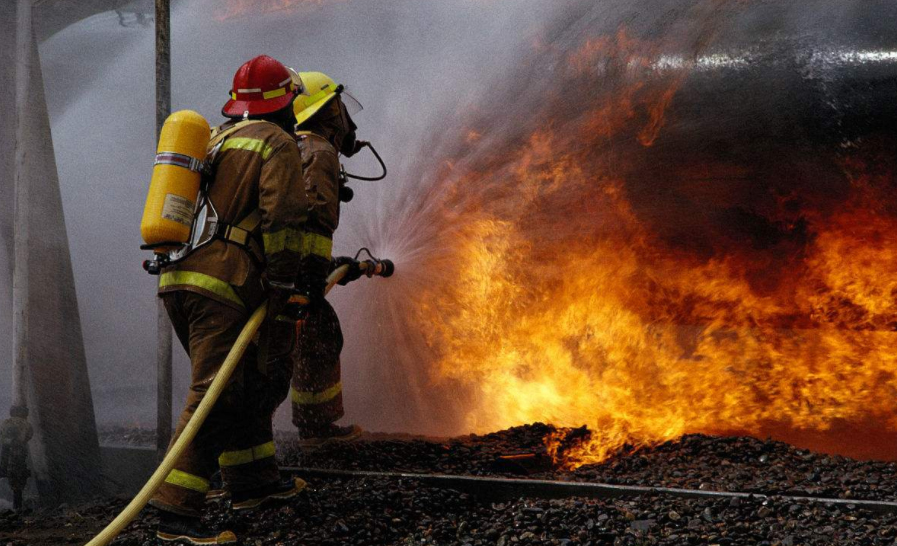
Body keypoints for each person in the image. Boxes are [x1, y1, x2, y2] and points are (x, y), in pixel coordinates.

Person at [150, 55, 308, 545]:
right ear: (284, 103)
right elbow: (284, 219)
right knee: (215, 395)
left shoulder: (216, 138)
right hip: (224, 284)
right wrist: (284, 285)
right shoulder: (276, 142)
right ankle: (175, 513)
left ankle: (253, 483)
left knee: (240, 387)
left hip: (180, 279)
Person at [287, 71, 366, 447]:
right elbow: (315, 217)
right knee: (319, 333)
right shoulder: (319, 150)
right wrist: (312, 278)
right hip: (295, 276)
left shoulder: (291, 144)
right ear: (328, 112)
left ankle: (310, 426)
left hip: (277, 267)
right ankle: (315, 428)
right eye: (338, 106)